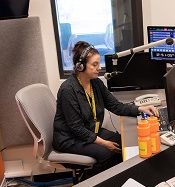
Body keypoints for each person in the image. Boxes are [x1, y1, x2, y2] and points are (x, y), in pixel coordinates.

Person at [53, 41, 159, 175]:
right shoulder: (68, 90)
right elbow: (76, 128)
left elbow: (116, 106)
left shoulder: (96, 83)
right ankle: (89, 186)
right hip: (70, 138)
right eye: (94, 64)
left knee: (123, 143)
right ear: (80, 66)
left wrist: (140, 109)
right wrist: (104, 143)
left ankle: (115, 179)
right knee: (105, 154)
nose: (99, 68)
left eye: (99, 63)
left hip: (91, 131)